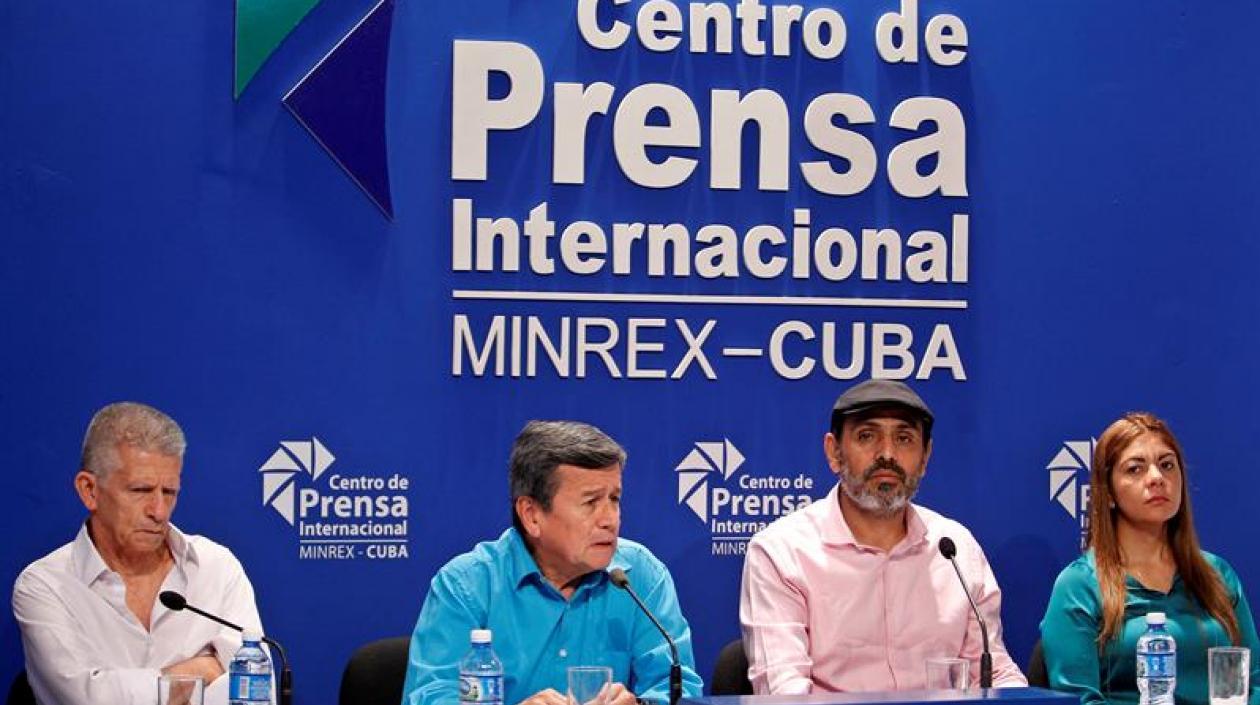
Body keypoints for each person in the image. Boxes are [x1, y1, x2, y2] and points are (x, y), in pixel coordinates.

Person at [739, 379, 1027, 693]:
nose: (887, 454)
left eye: (904, 438)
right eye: (867, 436)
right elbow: (785, 691)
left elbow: (993, 672)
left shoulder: (956, 548)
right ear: (834, 452)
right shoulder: (782, 552)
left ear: (926, 456)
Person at [401, 420, 703, 705]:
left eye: (614, 499)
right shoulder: (467, 585)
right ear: (532, 515)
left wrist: (639, 704)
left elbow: (679, 689)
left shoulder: (640, 575)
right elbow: (429, 695)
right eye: (591, 502)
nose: (610, 519)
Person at [12, 402, 266, 705]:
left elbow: (253, 689)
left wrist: (127, 686)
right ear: (89, 490)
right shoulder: (45, 586)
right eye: (140, 491)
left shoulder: (217, 567)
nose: (158, 512)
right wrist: (198, 671)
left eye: (169, 492)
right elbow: (86, 700)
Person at [1040, 412, 1260, 705]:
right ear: (1108, 494)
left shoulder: (1217, 574)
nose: (1157, 478)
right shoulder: (1079, 585)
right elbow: (1079, 700)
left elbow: (1255, 682)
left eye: (1167, 465)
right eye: (1135, 469)